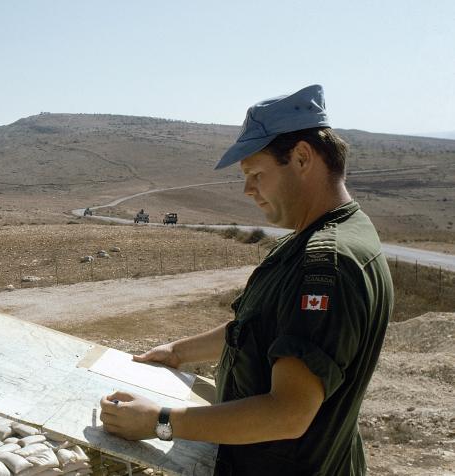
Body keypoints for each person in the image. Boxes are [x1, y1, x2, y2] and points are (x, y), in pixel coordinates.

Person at [99, 85, 393, 475]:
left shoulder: (325, 264)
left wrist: (160, 421)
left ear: (302, 158)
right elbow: (259, 327)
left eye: (256, 173)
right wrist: (178, 352)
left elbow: (287, 413)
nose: (247, 189)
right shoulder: (325, 237)